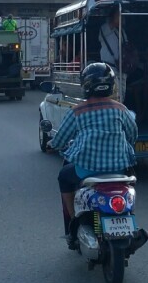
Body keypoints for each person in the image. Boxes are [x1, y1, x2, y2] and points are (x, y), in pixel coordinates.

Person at [48, 63, 138, 247]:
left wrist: (52, 144)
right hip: (119, 168)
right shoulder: (121, 109)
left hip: (87, 170)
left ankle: (74, 221)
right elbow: (132, 134)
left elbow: (61, 139)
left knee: (64, 177)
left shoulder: (78, 111)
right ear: (111, 85)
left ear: (86, 86)